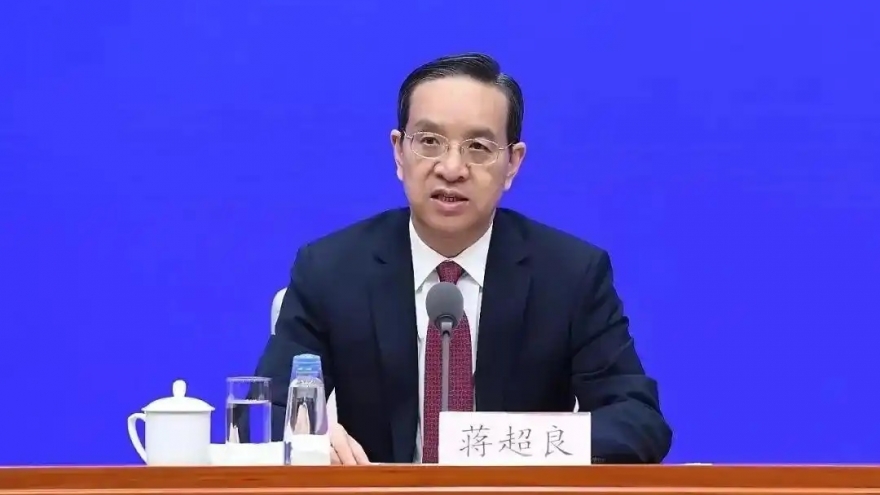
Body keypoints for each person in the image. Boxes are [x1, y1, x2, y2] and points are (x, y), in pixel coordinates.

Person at [256, 52, 672, 464]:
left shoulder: (570, 275)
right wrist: (311, 438)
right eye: (429, 142)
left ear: (513, 163)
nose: (452, 168)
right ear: (399, 152)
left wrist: (519, 445)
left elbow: (637, 420)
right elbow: (271, 407)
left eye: (478, 147)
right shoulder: (331, 270)